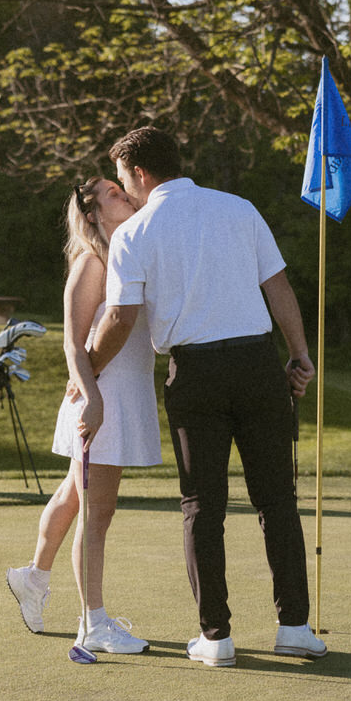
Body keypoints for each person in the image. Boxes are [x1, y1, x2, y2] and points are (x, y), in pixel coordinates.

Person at [89, 126, 324, 668]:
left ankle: (215, 638)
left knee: (203, 505)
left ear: (141, 172)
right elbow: (278, 288)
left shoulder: (134, 233)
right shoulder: (239, 208)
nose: (125, 190)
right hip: (258, 364)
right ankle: (294, 628)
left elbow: (122, 317)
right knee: (277, 500)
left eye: (124, 179)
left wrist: (88, 372)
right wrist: (299, 355)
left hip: (195, 374)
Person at [5, 177, 162, 654]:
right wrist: (92, 398)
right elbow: (72, 343)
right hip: (101, 397)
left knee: (75, 497)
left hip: (121, 391)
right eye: (114, 193)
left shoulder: (130, 252)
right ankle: (93, 623)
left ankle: (31, 578)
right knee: (99, 512)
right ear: (92, 214)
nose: (126, 195)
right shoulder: (90, 262)